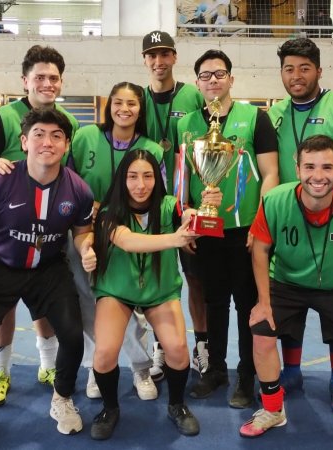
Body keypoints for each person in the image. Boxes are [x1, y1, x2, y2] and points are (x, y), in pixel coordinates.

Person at [0, 108, 94, 448]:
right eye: (40, 134)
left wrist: (87, 249)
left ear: (66, 144)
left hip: (48, 270)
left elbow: (82, 233)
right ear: (25, 142)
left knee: (72, 335)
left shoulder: (79, 190)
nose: (48, 142)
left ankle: (62, 397)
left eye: (57, 136)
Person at [241, 135, 333, 450]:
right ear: (297, 167)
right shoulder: (275, 201)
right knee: (261, 331)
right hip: (287, 282)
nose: (318, 176)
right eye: (309, 166)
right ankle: (273, 409)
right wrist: (264, 302)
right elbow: (261, 250)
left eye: (327, 167)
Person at [0, 45, 80, 408]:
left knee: (44, 304)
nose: (47, 83)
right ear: (25, 80)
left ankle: (47, 365)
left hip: (48, 232)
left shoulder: (67, 122)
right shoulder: (4, 117)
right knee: (3, 310)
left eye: (53, 78)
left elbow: (70, 173)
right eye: (39, 77)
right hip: (5, 229)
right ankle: (1, 373)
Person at [267, 37, 333, 412]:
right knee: (288, 303)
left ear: (319, 70)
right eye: (289, 68)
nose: (296, 76)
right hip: (289, 221)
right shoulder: (274, 112)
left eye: (304, 68)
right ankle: (291, 370)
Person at [179, 49, 280, 409]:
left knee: (246, 304)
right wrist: (186, 220)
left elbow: (271, 175)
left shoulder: (255, 118)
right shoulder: (186, 123)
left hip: (245, 231)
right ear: (197, 83)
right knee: (214, 302)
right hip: (205, 229)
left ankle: (247, 376)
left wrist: (260, 223)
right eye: (205, 76)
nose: (213, 81)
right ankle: (216, 370)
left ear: (231, 79)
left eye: (219, 74)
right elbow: (182, 179)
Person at [89, 149, 206, 440]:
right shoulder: (107, 213)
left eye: (148, 176)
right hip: (117, 291)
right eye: (132, 176)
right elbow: (128, 241)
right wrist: (175, 239)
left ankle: (177, 405)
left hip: (159, 291)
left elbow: (188, 216)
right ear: (122, 179)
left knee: (178, 350)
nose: (140, 184)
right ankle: (110, 409)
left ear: (157, 178)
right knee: (104, 353)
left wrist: (199, 215)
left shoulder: (170, 206)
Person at [68, 81, 164, 400]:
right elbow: (66, 182)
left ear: (141, 108)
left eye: (132, 103)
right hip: (85, 232)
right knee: (87, 302)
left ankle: (140, 367)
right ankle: (98, 368)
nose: (124, 109)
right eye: (118, 102)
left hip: (129, 237)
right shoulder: (84, 137)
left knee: (131, 303)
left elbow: (158, 197)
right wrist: (88, 207)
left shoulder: (152, 148)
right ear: (108, 105)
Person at [140, 30, 209, 380]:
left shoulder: (194, 95)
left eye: (164, 53)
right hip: (151, 207)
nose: (158, 61)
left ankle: (202, 348)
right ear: (145, 60)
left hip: (188, 204)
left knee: (196, 279)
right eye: (152, 55)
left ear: (174, 57)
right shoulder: (137, 99)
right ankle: (159, 349)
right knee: (157, 280)